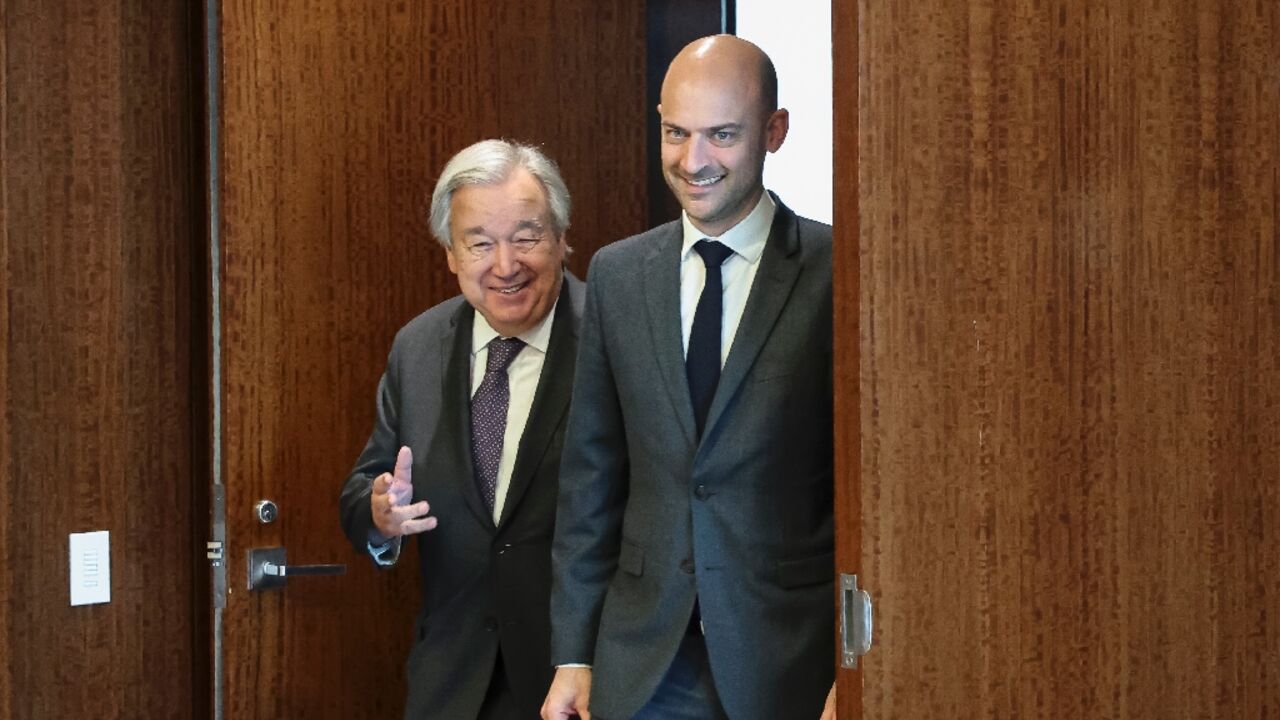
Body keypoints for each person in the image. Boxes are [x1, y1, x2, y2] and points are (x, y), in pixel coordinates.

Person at [542, 35, 835, 720]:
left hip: (788, 660)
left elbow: (869, 494)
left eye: (722, 135)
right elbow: (591, 476)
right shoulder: (618, 275)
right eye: (676, 132)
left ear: (775, 131)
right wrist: (574, 655)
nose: (692, 160)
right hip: (643, 663)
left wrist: (852, 670)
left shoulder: (836, 270)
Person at [339, 138, 584, 719]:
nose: (505, 265)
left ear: (562, 239)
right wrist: (379, 513)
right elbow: (367, 481)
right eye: (480, 243)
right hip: (451, 686)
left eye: (526, 237)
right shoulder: (418, 347)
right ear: (451, 253)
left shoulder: (612, 338)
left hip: (574, 684)